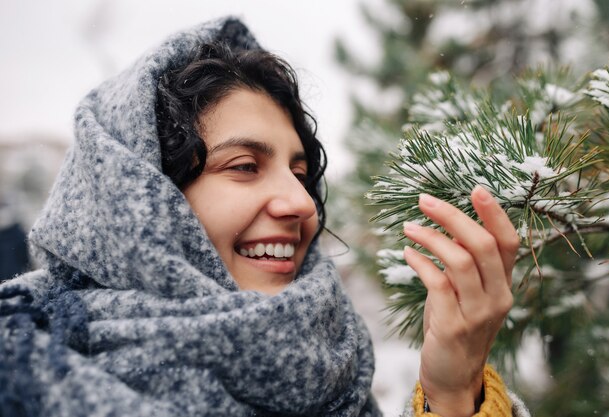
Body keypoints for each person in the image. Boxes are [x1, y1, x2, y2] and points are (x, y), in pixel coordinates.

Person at [0, 18, 530, 417]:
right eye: (246, 166)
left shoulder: (331, 372)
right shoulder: (22, 366)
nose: (301, 204)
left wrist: (454, 390)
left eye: (300, 174)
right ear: (138, 203)